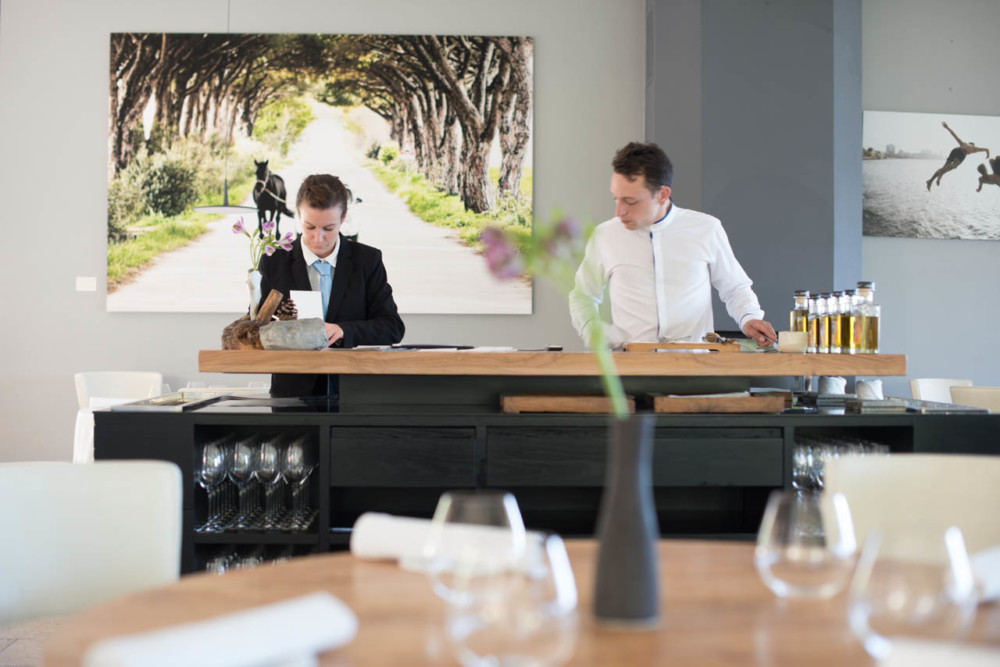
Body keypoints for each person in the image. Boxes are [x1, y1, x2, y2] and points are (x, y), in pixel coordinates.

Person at [568, 141, 776, 349]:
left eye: (630, 202)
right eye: (616, 199)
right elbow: (582, 295)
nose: (619, 211)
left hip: (694, 367)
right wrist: (591, 330)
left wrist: (749, 317)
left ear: (662, 194)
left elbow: (735, 288)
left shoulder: (706, 229)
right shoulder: (605, 235)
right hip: (629, 368)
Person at [258, 174, 405, 397]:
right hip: (291, 396)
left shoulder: (367, 261)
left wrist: (345, 330)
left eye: (328, 228)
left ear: (343, 218)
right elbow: (257, 326)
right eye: (309, 227)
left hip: (354, 396)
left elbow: (392, 327)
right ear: (298, 216)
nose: (318, 238)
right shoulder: (274, 262)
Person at [926, 121, 990, 191]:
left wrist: (947, 127)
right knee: (953, 166)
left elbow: (954, 135)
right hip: (961, 154)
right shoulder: (974, 148)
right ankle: (940, 173)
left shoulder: (963, 143)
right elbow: (986, 149)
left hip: (954, 150)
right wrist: (988, 155)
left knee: (946, 167)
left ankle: (931, 180)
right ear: (973, 145)